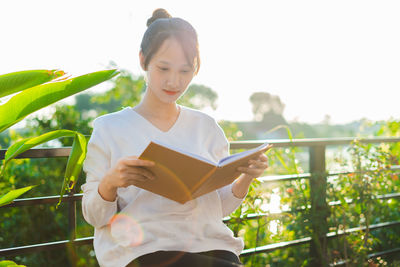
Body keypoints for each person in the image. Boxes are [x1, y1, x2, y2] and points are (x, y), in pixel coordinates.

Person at [81, 8, 269, 267]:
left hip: (211, 247)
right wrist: (110, 182)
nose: (174, 81)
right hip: (142, 251)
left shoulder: (206, 127)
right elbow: (94, 216)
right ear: (143, 60)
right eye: (163, 68)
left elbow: (219, 208)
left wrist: (246, 176)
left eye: (185, 71)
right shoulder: (110, 128)